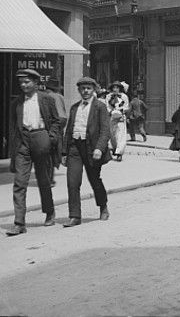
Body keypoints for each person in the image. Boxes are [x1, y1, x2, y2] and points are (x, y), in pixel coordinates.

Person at [6, 69, 61, 236]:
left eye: (27, 82)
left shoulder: (46, 99)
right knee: (19, 182)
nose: (23, 85)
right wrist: (13, 150)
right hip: (23, 142)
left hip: (40, 138)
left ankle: (49, 211)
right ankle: (19, 223)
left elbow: (56, 121)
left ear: (36, 83)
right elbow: (13, 127)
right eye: (21, 82)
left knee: (43, 180)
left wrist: (50, 138)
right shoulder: (16, 103)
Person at [63, 76, 111, 227]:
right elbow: (69, 130)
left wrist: (99, 148)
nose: (85, 91)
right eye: (82, 88)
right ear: (78, 90)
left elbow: (105, 130)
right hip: (75, 147)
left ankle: (103, 206)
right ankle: (75, 216)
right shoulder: (74, 107)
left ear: (94, 90)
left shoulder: (100, 107)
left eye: (88, 88)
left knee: (94, 180)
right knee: (73, 181)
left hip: (92, 148)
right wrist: (64, 152)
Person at [43, 76, 68, 187]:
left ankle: (48, 178)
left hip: (53, 122)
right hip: (62, 121)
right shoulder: (60, 96)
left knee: (48, 151)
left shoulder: (46, 96)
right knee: (55, 148)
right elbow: (64, 111)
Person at [105, 81, 129, 162]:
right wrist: (111, 112)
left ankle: (119, 153)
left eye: (117, 88)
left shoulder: (124, 96)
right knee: (113, 135)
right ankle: (115, 149)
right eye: (114, 87)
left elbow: (126, 106)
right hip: (112, 117)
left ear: (120, 88)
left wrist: (121, 111)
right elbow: (107, 106)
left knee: (121, 135)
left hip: (121, 117)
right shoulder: (108, 96)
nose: (115, 89)